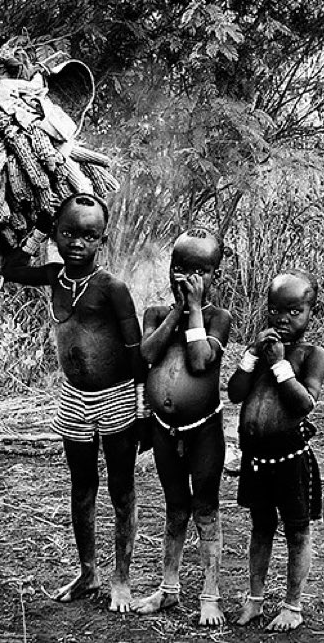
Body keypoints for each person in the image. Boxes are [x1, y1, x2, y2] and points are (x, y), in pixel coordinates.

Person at [2, 193, 147, 613]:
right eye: (68, 232)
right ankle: (88, 572)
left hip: (117, 397)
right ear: (55, 233)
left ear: (102, 239)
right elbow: (9, 269)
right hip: (73, 398)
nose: (77, 243)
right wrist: (37, 227)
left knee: (122, 489)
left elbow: (136, 354)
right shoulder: (54, 276)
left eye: (89, 235)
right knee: (81, 486)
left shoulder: (112, 289)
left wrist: (142, 412)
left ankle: (121, 579)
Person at [131, 228, 231, 626]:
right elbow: (149, 353)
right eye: (179, 268)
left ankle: (211, 593)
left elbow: (200, 361)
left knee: (205, 507)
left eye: (199, 271)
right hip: (163, 429)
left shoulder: (217, 318)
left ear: (214, 276)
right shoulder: (156, 314)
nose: (187, 277)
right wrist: (176, 309)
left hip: (203, 430)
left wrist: (192, 309)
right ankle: (168, 589)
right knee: (175, 508)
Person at [227, 269, 324, 632]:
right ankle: (254, 599)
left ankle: (292, 605)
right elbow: (235, 393)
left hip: (290, 460)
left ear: (310, 312)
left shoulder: (311, 355)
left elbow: (304, 404)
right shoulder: (262, 350)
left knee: (298, 530)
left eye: (294, 311)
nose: (283, 320)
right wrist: (252, 355)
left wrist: (280, 364)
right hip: (257, 460)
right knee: (261, 527)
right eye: (275, 310)